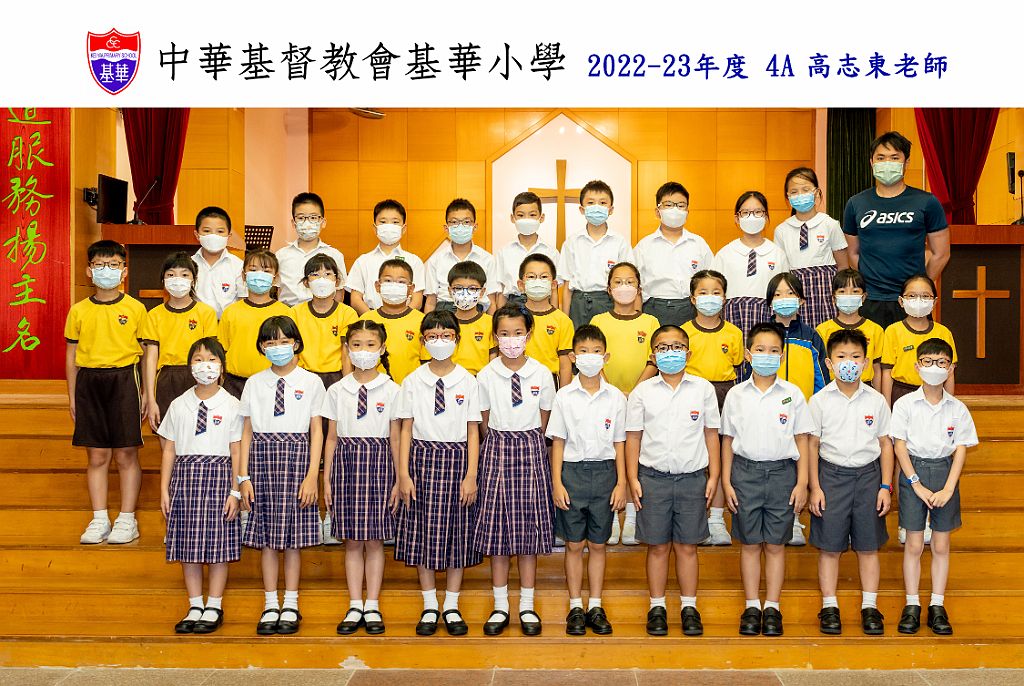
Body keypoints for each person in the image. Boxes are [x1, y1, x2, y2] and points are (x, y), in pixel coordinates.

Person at [627, 325, 721, 637]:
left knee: (687, 547)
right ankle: (657, 607)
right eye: (663, 348)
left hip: (692, 479)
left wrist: (714, 476)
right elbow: (633, 438)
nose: (671, 353)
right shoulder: (642, 392)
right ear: (653, 356)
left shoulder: (703, 389)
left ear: (688, 353)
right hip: (653, 479)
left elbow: (711, 435)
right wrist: (632, 478)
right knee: (656, 547)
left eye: (677, 347)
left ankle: (689, 607)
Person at [394, 311, 483, 637]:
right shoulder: (413, 380)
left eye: (446, 335)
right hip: (421, 459)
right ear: (423, 341)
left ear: (457, 340)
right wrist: (403, 473)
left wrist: (471, 474)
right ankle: (430, 603)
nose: (439, 341)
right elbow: (406, 428)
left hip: (458, 460)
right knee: (423, 533)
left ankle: (452, 604)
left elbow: (473, 431)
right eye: (432, 336)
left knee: (458, 534)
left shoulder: (468, 381)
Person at [721, 322, 812, 637]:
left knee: (775, 545)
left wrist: (802, 482)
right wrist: (727, 482)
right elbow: (727, 440)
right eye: (760, 350)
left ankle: (772, 606)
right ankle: (751, 606)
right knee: (749, 544)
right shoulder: (736, 395)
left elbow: (802, 439)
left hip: (782, 474)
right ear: (748, 354)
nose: (767, 355)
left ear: (782, 355)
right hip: (744, 474)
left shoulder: (792, 394)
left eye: (774, 351)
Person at [238, 315, 326, 636]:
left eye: (284, 341)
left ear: (296, 344)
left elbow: (317, 431)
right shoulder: (254, 383)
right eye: (271, 342)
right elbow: (246, 432)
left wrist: (312, 475)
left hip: (297, 459)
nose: (278, 347)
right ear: (262, 347)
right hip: (262, 460)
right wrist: (243, 476)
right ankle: (270, 602)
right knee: (266, 540)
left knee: (292, 539)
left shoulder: (311, 382)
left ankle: (291, 602)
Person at [474, 305, 556, 636]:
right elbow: (482, 419)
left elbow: (546, 417)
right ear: (495, 336)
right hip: (496, 447)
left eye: (518, 333)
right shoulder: (486, 375)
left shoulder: (542, 373)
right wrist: (498, 440)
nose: (511, 340)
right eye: (505, 334)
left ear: (529, 335)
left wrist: (530, 440)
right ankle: (500, 606)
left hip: (532, 447)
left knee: (528, 533)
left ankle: (527, 605)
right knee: (498, 534)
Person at [808, 329, 894, 636]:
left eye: (856, 357)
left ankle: (870, 607)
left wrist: (885, 486)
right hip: (830, 477)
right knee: (829, 548)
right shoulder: (819, 401)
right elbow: (812, 445)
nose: (849, 363)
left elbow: (885, 444)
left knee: (868, 547)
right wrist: (815, 487)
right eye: (842, 357)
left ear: (866, 363)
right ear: (829, 363)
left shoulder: (877, 400)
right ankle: (829, 606)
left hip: (869, 478)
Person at [891, 338, 978, 636]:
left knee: (941, 544)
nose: (935, 368)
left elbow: (961, 449)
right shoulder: (904, 405)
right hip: (913, 473)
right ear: (917, 367)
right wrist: (915, 483)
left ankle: (937, 605)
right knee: (914, 544)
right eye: (928, 362)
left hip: (944, 472)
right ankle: (912, 604)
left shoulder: (957, 408)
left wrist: (949, 488)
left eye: (941, 362)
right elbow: (899, 446)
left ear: (951, 368)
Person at [65, 239, 148, 545]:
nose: (106, 270)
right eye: (100, 265)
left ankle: (127, 519)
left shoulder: (135, 308)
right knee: (97, 454)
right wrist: (72, 396)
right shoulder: (78, 310)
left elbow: (146, 353)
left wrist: (147, 394)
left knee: (126, 453)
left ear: (124, 271)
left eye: (113, 265)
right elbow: (71, 357)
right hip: (89, 382)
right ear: (89, 270)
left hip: (125, 379)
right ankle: (99, 517)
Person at [322, 320, 401, 636]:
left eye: (370, 345)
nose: (363, 351)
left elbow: (396, 438)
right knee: (353, 541)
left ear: (382, 348)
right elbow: (331, 438)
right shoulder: (337, 390)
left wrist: (399, 478)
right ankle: (355, 604)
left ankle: (372, 604)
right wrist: (327, 479)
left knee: (375, 540)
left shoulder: (393, 389)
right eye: (356, 345)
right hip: (346, 464)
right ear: (347, 349)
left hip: (381, 463)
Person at [158, 337, 242, 635]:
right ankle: (195, 604)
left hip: (220, 477)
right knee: (188, 545)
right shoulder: (179, 404)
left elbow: (236, 451)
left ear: (222, 367)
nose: (205, 365)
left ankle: (214, 605)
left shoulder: (233, 405)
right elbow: (169, 448)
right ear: (189, 366)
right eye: (198, 359)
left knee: (219, 545)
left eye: (211, 359)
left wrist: (235, 491)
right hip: (185, 477)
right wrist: (164, 488)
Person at [548, 325, 627, 637]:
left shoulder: (615, 398)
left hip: (605, 474)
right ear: (573, 357)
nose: (590, 357)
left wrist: (621, 483)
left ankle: (595, 604)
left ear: (606, 357)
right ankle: (575, 606)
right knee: (573, 544)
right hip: (572, 474)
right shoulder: (564, 396)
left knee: (597, 544)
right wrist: (557, 483)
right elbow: (558, 442)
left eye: (596, 352)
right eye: (583, 352)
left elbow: (620, 442)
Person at [842, 131, 950, 328]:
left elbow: (941, 253)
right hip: (870, 299)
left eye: (894, 157)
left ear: (906, 162)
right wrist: (872, 281)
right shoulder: (856, 203)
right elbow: (853, 252)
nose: (887, 163)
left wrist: (920, 286)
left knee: (915, 349)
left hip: (912, 302)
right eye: (881, 158)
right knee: (870, 349)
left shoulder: (927, 202)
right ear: (871, 162)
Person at [589, 261, 659, 545]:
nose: (624, 287)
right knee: (611, 454)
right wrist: (614, 391)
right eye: (618, 282)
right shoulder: (598, 321)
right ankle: (610, 517)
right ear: (609, 289)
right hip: (607, 397)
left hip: (641, 397)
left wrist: (636, 390)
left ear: (639, 288)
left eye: (630, 282)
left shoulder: (650, 322)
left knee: (635, 454)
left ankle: (631, 516)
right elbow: (594, 357)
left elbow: (654, 359)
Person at [682, 269, 744, 547]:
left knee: (720, 455)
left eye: (716, 292)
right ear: (693, 299)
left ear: (725, 298)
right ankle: (694, 515)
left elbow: (737, 365)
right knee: (695, 455)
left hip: (723, 393)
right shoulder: (684, 332)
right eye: (703, 292)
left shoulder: (734, 333)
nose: (710, 298)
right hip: (691, 395)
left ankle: (717, 519)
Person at [142, 251, 218, 439]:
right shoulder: (154, 315)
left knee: (198, 439)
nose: (177, 279)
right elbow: (150, 358)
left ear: (193, 280)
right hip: (165, 379)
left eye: (184, 274)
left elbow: (212, 356)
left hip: (197, 377)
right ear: (163, 280)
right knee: (167, 441)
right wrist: (150, 397)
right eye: (171, 274)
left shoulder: (206, 313)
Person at [773, 167, 849, 328]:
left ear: (816, 192)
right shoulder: (782, 230)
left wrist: (840, 296)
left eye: (806, 189)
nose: (800, 195)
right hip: (796, 292)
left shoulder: (830, 224)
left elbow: (843, 266)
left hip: (826, 292)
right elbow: (781, 271)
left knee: (827, 334)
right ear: (787, 197)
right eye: (794, 192)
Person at [633, 182, 713, 326]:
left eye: (681, 205)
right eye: (669, 205)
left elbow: (711, 279)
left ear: (687, 212)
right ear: (657, 211)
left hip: (691, 308)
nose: (675, 210)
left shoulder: (699, 244)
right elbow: (634, 285)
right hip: (654, 309)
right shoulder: (644, 246)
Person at [712, 191, 789, 339]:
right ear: (737, 218)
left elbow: (785, 290)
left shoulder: (777, 254)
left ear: (766, 217)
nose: (752, 217)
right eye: (746, 212)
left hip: (768, 317)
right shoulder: (725, 254)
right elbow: (715, 290)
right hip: (732, 317)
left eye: (758, 212)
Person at [559, 180, 634, 329]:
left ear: (611, 209)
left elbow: (629, 282)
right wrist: (565, 322)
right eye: (591, 203)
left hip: (609, 301)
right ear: (582, 209)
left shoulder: (620, 242)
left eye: (603, 203)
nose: (597, 207)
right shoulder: (572, 242)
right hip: (578, 303)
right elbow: (567, 286)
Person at [218, 250, 290, 398]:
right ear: (244, 276)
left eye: (266, 271)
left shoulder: (286, 312)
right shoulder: (230, 312)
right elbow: (222, 350)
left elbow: (293, 352)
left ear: (275, 278)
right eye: (253, 269)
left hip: (273, 382)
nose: (259, 275)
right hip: (235, 383)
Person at [881, 274, 957, 407]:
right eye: (912, 296)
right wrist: (887, 407)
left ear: (934, 302)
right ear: (901, 301)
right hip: (901, 392)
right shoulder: (893, 331)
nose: (918, 300)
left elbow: (950, 373)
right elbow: (887, 372)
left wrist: (950, 405)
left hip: (935, 392)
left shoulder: (943, 332)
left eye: (925, 296)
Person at [291, 254, 359, 391]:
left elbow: (346, 354)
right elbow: (293, 352)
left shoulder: (348, 313)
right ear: (306, 282)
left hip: (335, 377)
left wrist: (347, 386)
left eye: (327, 274)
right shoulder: (295, 313)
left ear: (337, 281)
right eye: (315, 274)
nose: (322, 280)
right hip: (304, 376)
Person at [346, 199, 426, 313]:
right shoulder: (363, 261)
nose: (389, 226)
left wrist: (403, 318)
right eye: (383, 222)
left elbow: (417, 301)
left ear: (403, 229)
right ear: (375, 228)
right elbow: (355, 299)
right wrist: (372, 319)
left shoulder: (414, 261)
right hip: (371, 319)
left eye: (395, 222)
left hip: (405, 319)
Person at [355, 259, 425, 385]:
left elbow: (427, 362)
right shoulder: (366, 320)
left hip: (412, 388)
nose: (394, 286)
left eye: (401, 282)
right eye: (388, 281)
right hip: (374, 388)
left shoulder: (422, 321)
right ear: (378, 286)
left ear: (411, 289)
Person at [424, 198, 498, 313]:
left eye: (466, 222)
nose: (460, 227)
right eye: (454, 222)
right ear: (446, 228)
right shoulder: (435, 260)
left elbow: (491, 302)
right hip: (445, 312)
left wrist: (490, 323)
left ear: (475, 227)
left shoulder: (488, 259)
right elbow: (430, 302)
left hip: (477, 311)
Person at [815, 269, 885, 391]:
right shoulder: (822, 330)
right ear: (834, 298)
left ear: (863, 297)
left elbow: (877, 368)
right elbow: (820, 369)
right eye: (842, 291)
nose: (848, 296)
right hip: (832, 388)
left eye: (855, 291)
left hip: (866, 388)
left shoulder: (875, 330)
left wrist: (878, 396)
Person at [275, 192, 347, 307]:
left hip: (323, 312)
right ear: (293, 223)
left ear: (323, 222)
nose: (307, 223)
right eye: (301, 218)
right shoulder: (281, 255)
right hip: (288, 312)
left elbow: (339, 291)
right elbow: (278, 289)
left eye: (313, 218)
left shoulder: (335, 255)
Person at [766, 272, 829, 402]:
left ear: (801, 300)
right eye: (777, 294)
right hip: (768, 406)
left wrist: (818, 405)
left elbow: (821, 377)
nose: (784, 298)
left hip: (804, 407)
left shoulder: (811, 337)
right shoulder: (762, 336)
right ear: (770, 302)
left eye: (790, 293)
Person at [494, 191, 560, 309]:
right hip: (513, 304)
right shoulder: (504, 252)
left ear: (541, 217)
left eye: (532, 215)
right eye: (521, 215)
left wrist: (554, 315)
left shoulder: (551, 252)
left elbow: (554, 291)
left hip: (543, 304)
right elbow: (501, 292)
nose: (526, 219)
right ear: (513, 218)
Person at [520, 254, 575, 388]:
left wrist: (562, 395)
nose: (537, 281)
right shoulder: (513, 317)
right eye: (531, 277)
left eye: (544, 277)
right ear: (521, 285)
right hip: (518, 381)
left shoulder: (563, 321)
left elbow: (565, 365)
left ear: (553, 284)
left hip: (550, 382)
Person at [191, 206, 244, 318]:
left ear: (229, 236)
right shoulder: (188, 265)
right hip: (196, 323)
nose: (213, 236)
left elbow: (242, 300)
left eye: (220, 231)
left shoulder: (238, 266)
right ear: (197, 235)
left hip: (227, 323)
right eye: (207, 231)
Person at [448, 262, 496, 375]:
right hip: (451, 379)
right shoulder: (445, 324)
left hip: (481, 380)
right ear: (450, 291)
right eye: (458, 288)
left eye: (472, 288)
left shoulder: (490, 323)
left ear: (482, 292)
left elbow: (493, 359)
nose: (465, 294)